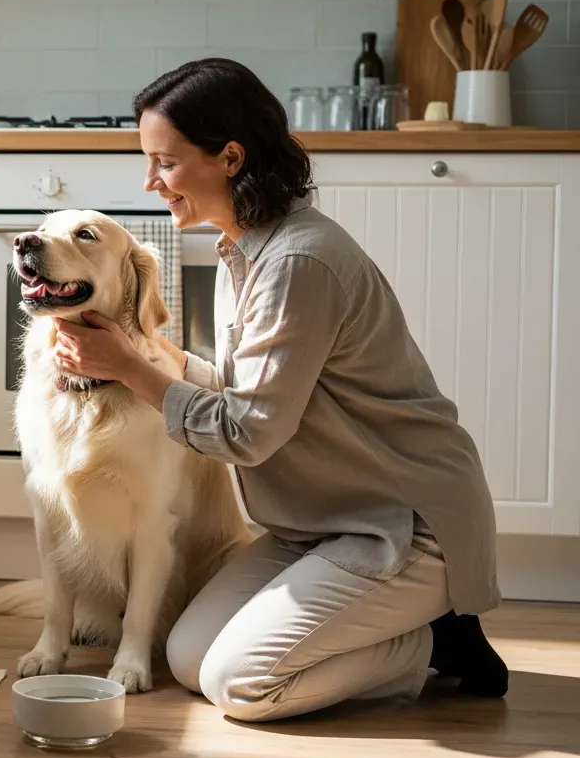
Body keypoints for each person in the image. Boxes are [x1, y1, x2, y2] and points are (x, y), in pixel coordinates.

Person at [52, 58, 509, 723]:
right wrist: (154, 356)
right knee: (187, 659)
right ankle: (385, 628)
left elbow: (247, 432)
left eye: (166, 163)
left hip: (400, 527)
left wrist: (132, 370)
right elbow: (253, 393)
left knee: (241, 685)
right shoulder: (246, 246)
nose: (151, 182)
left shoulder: (297, 261)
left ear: (230, 156)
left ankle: (427, 641)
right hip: (317, 525)